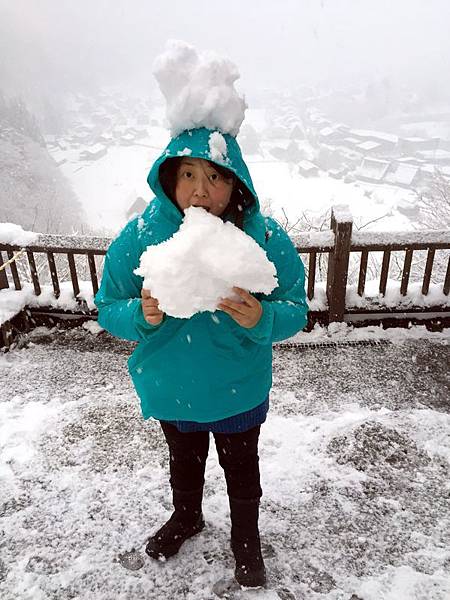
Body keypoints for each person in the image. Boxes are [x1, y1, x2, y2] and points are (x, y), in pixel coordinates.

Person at [95, 126, 309, 588]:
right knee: (184, 464)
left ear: (236, 184)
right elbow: (108, 305)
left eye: (215, 177)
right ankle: (187, 516)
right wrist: (140, 315)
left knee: (242, 472)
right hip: (173, 391)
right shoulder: (141, 236)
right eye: (188, 174)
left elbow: (296, 308)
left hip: (238, 389)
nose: (199, 190)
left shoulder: (264, 237)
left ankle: (246, 540)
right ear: (168, 178)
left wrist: (263, 319)